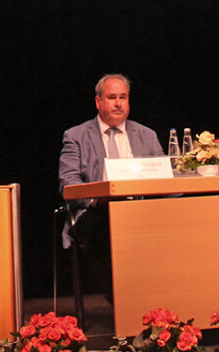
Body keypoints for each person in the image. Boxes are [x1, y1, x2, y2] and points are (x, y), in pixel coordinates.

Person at [57, 74, 164, 297]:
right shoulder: (76, 136)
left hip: (142, 211)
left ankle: (164, 300)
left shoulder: (147, 135)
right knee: (105, 231)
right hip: (96, 212)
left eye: (123, 98)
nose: (118, 104)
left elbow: (163, 177)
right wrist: (96, 201)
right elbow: (68, 182)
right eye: (112, 97)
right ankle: (125, 301)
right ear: (98, 101)